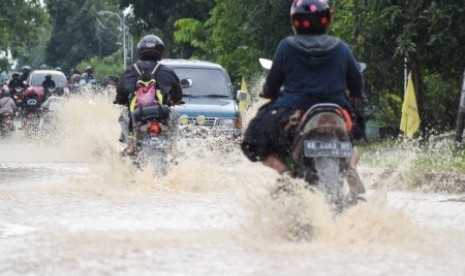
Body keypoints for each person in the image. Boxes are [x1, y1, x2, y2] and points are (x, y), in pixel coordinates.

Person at [241, 0, 365, 193]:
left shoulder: (286, 46)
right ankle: (350, 166)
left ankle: (285, 172)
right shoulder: (341, 48)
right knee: (354, 136)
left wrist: (266, 92)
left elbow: (271, 87)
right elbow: (357, 86)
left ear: (295, 21)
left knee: (252, 140)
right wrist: (352, 94)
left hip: (294, 111)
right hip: (338, 111)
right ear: (327, 20)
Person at [114, 34, 183, 156]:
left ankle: (130, 145)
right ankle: (173, 147)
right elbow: (177, 93)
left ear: (140, 51)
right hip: (162, 112)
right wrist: (174, 101)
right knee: (176, 116)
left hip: (136, 113)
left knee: (123, 115)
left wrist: (121, 100)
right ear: (160, 51)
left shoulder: (130, 70)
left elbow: (120, 92)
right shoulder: (167, 71)